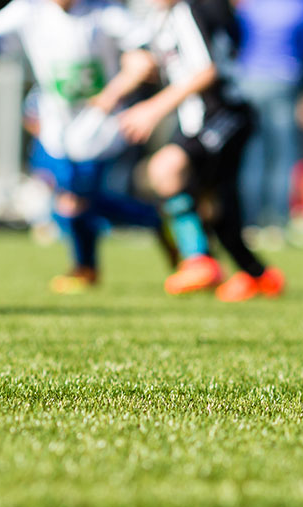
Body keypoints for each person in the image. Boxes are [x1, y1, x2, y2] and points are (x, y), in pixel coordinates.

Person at [0, 0, 195, 294]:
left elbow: (144, 54)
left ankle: (87, 267)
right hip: (54, 127)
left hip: (99, 126)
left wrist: (122, 83)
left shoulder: (105, 12)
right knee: (69, 199)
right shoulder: (28, 9)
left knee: (75, 200)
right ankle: (149, 221)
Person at [94, 0, 285, 301]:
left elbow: (205, 71)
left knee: (166, 169)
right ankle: (258, 276)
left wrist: (152, 109)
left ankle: (198, 260)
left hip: (222, 114)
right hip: (202, 119)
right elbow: (152, 61)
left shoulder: (188, 10)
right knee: (213, 203)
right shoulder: (163, 18)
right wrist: (117, 89)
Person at [233, 0, 303, 242]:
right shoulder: (302, 7)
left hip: (249, 81)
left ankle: (250, 222)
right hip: (285, 80)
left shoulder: (249, 6)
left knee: (253, 155)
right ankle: (276, 223)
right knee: (283, 155)